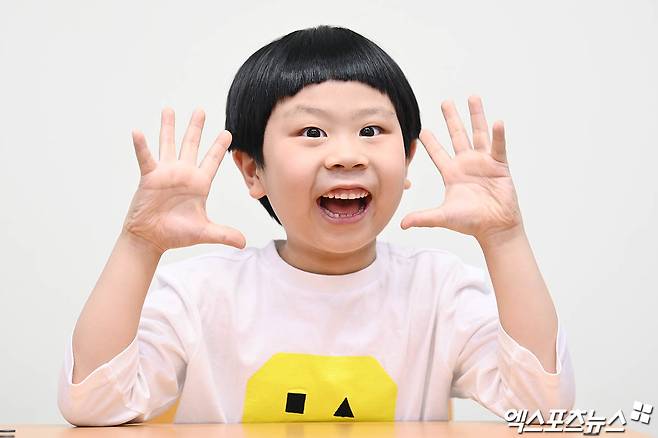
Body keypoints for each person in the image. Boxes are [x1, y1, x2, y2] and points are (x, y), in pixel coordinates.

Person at [57, 25, 575, 426]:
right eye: (312, 132)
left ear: (407, 158)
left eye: (371, 130)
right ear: (253, 170)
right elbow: (93, 405)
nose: (347, 155)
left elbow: (544, 409)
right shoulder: (201, 293)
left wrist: (504, 238)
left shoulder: (439, 290)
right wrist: (139, 244)